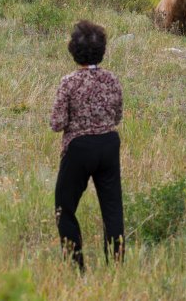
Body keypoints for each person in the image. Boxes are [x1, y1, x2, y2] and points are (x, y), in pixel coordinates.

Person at [50, 20, 124, 273]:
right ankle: (116, 266)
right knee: (113, 209)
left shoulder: (69, 82)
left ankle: (76, 267)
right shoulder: (111, 79)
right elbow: (117, 117)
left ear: (73, 50)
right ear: (102, 50)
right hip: (108, 144)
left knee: (65, 207)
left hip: (78, 147)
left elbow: (57, 123)